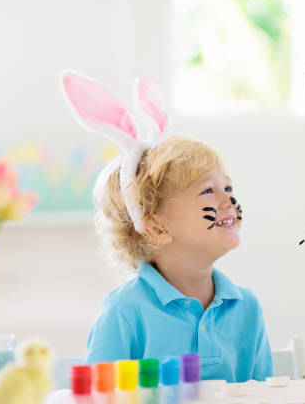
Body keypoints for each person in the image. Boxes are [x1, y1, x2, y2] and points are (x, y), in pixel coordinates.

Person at [60, 71, 272, 382]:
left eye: (227, 188)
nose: (228, 200)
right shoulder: (125, 312)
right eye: (208, 191)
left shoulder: (247, 309)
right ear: (157, 227)